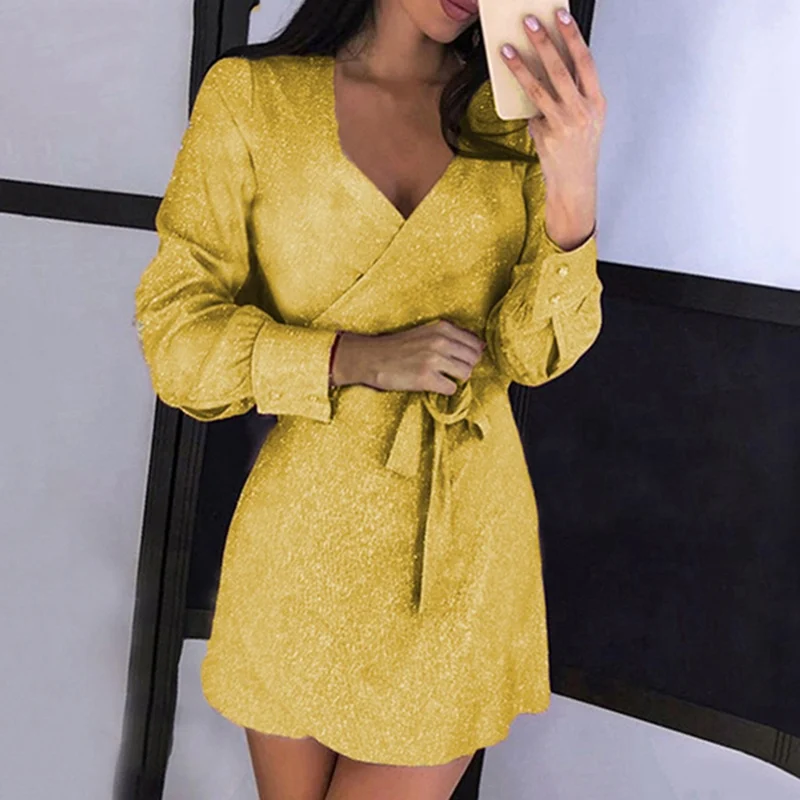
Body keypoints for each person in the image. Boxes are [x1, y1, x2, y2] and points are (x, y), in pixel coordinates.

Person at [133, 0, 606, 797]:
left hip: (457, 541)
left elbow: (535, 354)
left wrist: (574, 183)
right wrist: (351, 357)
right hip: (303, 542)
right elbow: (176, 339)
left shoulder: (514, 119)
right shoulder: (253, 99)